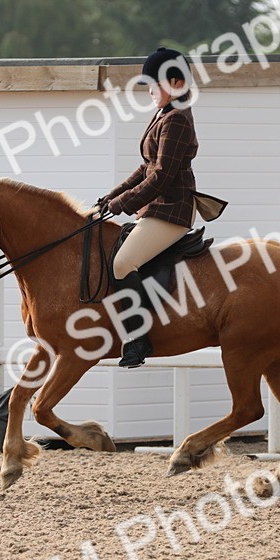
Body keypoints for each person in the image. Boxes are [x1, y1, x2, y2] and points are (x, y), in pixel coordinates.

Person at [100, 47, 200, 368]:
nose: (150, 92)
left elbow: (160, 177)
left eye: (154, 85)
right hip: (156, 208)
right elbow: (145, 167)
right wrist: (112, 196)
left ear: (175, 81)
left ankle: (139, 338)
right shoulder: (164, 115)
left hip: (172, 209)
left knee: (122, 263)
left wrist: (122, 204)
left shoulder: (177, 121)